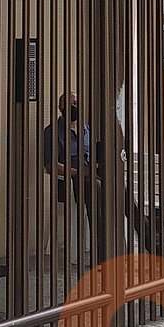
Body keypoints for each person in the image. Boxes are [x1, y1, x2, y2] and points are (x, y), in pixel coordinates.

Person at [43, 92, 97, 266]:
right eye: (71, 104)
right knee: (97, 189)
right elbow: (51, 166)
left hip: (91, 175)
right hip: (70, 181)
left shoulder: (86, 129)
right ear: (61, 108)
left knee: (120, 187)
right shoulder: (52, 132)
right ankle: (100, 248)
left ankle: (148, 234)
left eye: (77, 103)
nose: (75, 107)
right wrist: (77, 172)